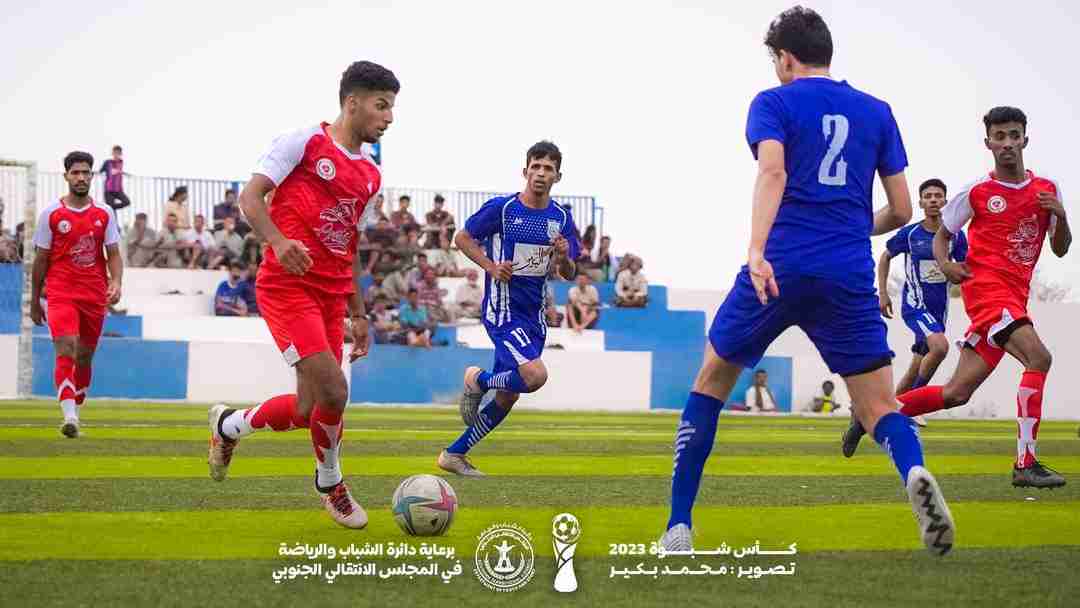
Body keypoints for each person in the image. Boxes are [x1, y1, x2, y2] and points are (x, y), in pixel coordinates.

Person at [660, 7, 953, 556]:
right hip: (847, 272)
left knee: (710, 385)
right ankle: (914, 470)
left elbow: (773, 171)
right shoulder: (877, 111)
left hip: (779, 266)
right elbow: (901, 208)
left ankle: (678, 527)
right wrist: (848, 225)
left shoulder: (773, 102)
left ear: (786, 58)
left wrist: (755, 250)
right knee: (878, 407)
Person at [207, 60, 398, 529]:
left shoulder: (371, 175)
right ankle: (330, 485)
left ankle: (228, 425)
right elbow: (250, 199)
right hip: (287, 287)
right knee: (336, 390)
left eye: (392, 108)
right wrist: (277, 241)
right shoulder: (302, 142)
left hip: (332, 297)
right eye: (381, 106)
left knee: (307, 409)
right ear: (352, 103)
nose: (389, 118)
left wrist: (359, 313)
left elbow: (350, 244)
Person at [843, 107, 1072, 489]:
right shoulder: (977, 191)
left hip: (1015, 297)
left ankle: (872, 414)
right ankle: (1025, 463)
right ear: (988, 143)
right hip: (987, 291)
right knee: (1039, 358)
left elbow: (1061, 249)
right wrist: (946, 264)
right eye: (1000, 136)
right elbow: (942, 235)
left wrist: (1061, 217)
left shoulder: (1046, 190)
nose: (1007, 143)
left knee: (956, 393)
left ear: (1025, 140)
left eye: (1014, 135)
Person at [437, 140, 579, 477]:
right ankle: (479, 379)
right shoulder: (502, 209)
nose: (541, 173)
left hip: (534, 316)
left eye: (548, 168)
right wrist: (490, 266)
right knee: (535, 376)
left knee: (509, 396)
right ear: (525, 171)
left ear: (557, 176)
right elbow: (462, 238)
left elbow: (569, 272)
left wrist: (563, 257)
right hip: (503, 312)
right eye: (536, 167)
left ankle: (454, 454)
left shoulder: (561, 218)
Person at [29, 151, 123, 438]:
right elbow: (41, 260)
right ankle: (68, 416)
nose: (81, 177)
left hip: (94, 294)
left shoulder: (105, 213)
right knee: (66, 347)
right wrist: (35, 300)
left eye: (85, 173)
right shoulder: (51, 215)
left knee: (84, 356)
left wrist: (117, 282)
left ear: (92, 176)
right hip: (61, 292)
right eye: (75, 173)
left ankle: (76, 411)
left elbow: (113, 254)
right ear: (66, 176)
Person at [870, 178, 968, 428]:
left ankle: (885, 413)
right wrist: (883, 293)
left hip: (939, 311)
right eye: (928, 196)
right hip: (915, 306)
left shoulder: (956, 236)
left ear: (946, 201)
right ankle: (913, 406)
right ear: (921, 202)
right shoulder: (911, 233)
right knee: (940, 347)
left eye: (938, 196)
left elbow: (965, 269)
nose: (933, 200)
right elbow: (885, 257)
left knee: (917, 365)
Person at [99, 145, 130, 211]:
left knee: (127, 202)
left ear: (120, 154)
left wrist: (123, 173)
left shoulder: (121, 162)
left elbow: (120, 171)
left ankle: (109, 208)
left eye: (118, 153)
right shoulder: (107, 162)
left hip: (118, 190)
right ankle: (109, 209)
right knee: (112, 211)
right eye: (115, 153)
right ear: (112, 153)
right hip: (109, 190)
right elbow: (100, 171)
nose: (116, 155)